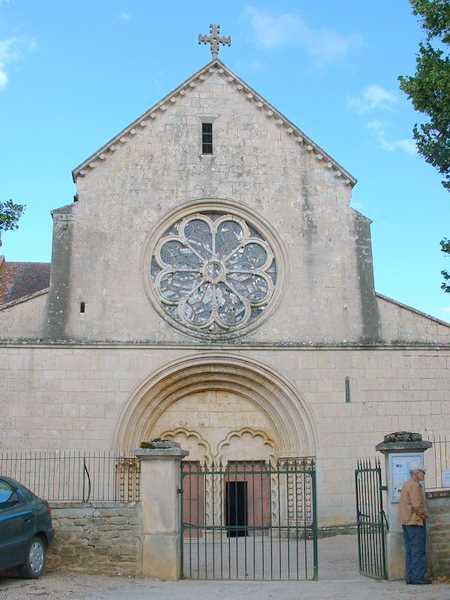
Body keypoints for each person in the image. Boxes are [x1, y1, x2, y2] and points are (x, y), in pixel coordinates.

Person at [399, 464, 431, 585]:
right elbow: (417, 506)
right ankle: (418, 577)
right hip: (415, 522)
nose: (424, 474)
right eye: (423, 472)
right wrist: (424, 515)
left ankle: (410, 576)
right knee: (418, 550)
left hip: (406, 522)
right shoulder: (415, 486)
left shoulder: (406, 484)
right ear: (416, 473)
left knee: (410, 550)